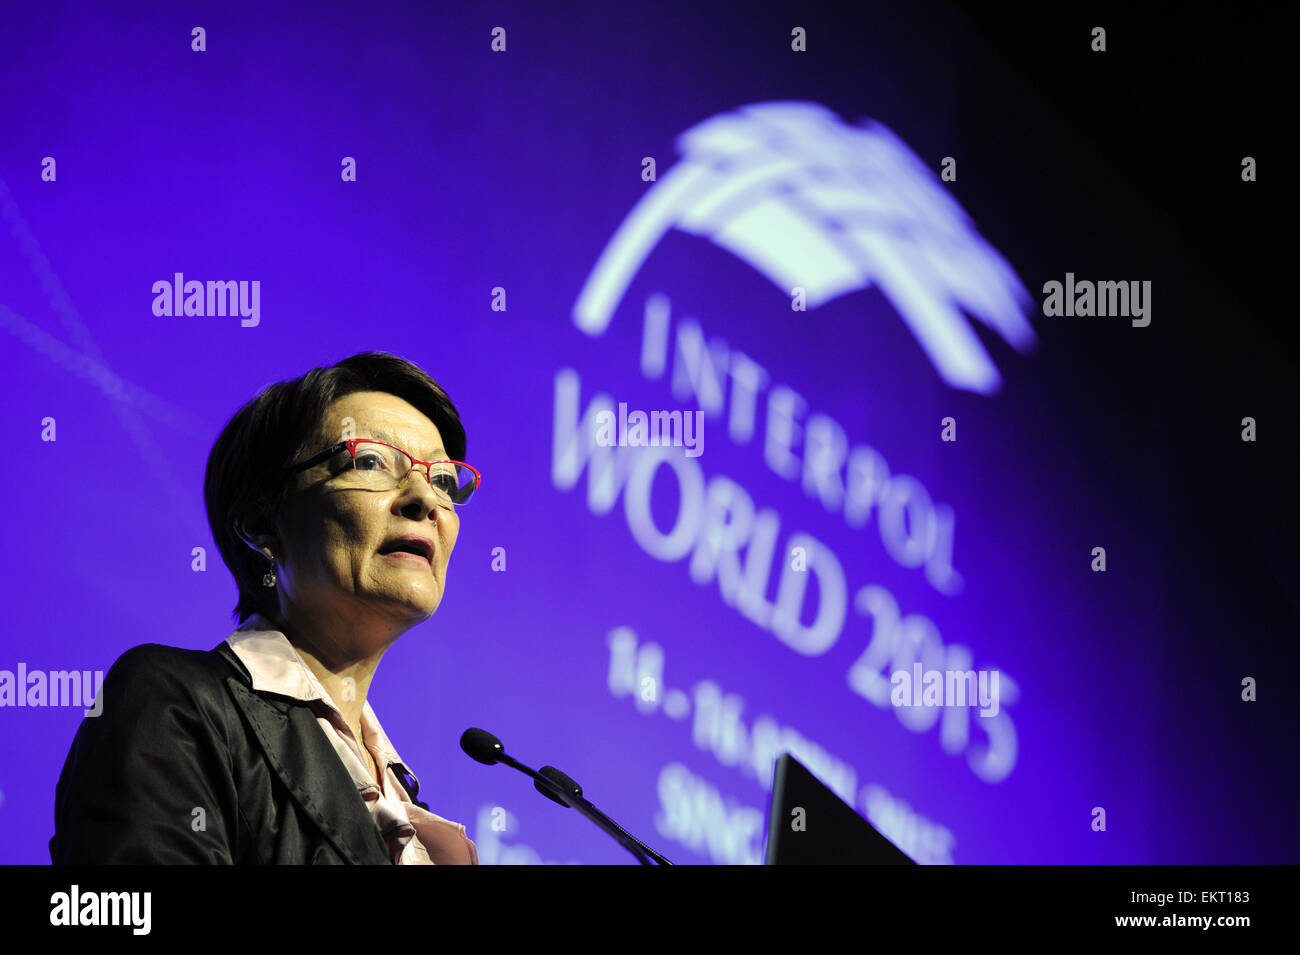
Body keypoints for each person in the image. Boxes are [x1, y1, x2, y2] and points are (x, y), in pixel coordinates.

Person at [50, 351, 483, 864]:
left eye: (442, 480)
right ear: (261, 523)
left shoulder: (401, 803)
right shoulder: (175, 706)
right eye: (370, 461)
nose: (425, 500)